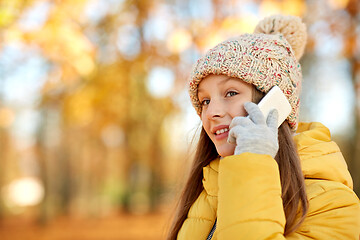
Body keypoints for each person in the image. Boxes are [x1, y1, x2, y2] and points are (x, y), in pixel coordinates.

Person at [167, 14, 360, 239]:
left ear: (274, 105)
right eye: (205, 101)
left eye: (230, 93)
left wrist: (253, 165)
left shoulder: (334, 204)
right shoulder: (207, 193)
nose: (211, 112)